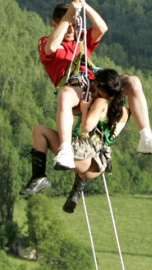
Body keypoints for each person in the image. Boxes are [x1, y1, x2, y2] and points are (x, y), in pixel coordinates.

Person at [38, 0, 152, 169]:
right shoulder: (46, 41)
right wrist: (68, 17)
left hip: (94, 81)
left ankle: (146, 137)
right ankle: (66, 150)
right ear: (55, 24)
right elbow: (51, 48)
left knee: (133, 82)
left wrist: (83, 4)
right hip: (74, 86)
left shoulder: (81, 38)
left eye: (75, 26)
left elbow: (102, 28)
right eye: (68, 27)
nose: (72, 31)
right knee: (65, 95)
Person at [20, 69, 129, 213]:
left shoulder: (101, 102)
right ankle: (76, 190)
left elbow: (88, 126)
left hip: (84, 158)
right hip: (98, 166)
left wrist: (84, 109)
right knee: (76, 145)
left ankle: (38, 176)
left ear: (102, 88)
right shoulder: (124, 112)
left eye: (95, 85)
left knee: (39, 131)